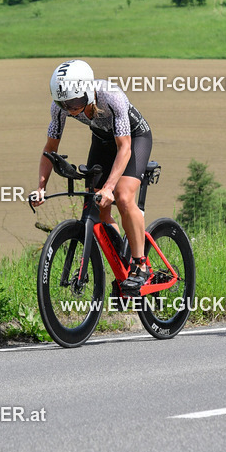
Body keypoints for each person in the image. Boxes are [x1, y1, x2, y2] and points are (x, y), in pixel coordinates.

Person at [31, 59, 153, 292]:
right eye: (63, 103)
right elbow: (50, 149)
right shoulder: (60, 108)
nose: (70, 109)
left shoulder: (111, 96)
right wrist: (41, 187)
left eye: (75, 102)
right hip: (102, 140)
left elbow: (124, 148)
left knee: (123, 196)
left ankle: (141, 266)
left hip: (133, 139)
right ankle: (122, 263)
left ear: (87, 90)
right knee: (97, 207)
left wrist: (109, 186)